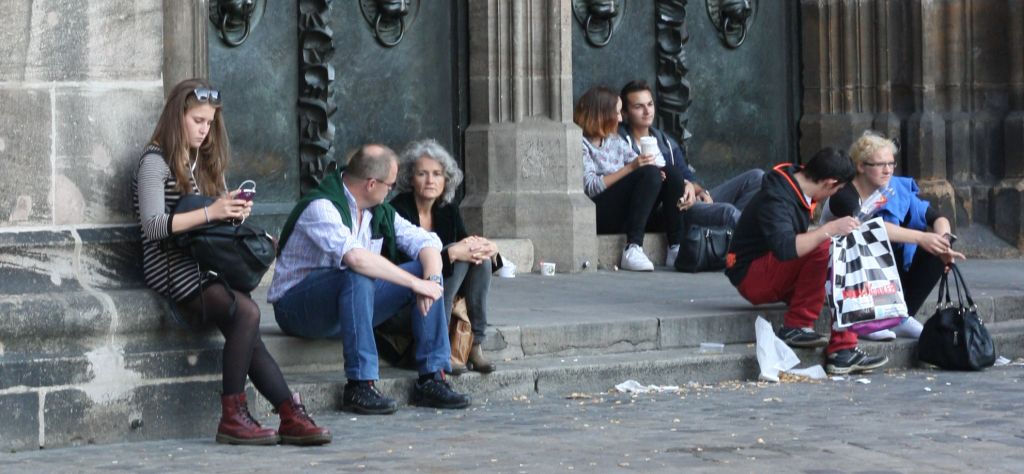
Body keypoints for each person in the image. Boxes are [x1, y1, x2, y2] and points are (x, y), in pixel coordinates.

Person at [132, 78, 330, 446]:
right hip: (171, 267)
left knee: (248, 328)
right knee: (247, 313)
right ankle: (233, 416)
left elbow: (213, 222)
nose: (204, 131)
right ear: (177, 117)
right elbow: (154, 226)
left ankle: (288, 412)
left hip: (206, 263)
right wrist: (213, 212)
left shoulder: (203, 161)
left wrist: (232, 211)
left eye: (209, 123)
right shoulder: (154, 162)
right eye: (197, 121)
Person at [269, 143, 471, 415]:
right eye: (390, 185)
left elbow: (426, 242)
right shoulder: (322, 207)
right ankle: (359, 385)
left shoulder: (378, 210)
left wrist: (431, 280)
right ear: (371, 184)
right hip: (297, 309)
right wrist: (415, 284)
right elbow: (356, 258)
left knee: (423, 269)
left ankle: (432, 378)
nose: (392, 191)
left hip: (350, 304)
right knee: (359, 275)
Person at [724, 147, 889, 375]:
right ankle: (797, 325)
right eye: (837, 189)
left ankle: (843, 350)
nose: (834, 195)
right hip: (751, 275)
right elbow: (786, 248)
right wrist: (829, 229)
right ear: (830, 183)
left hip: (774, 268)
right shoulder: (777, 197)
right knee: (826, 244)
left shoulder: (798, 184)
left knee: (838, 248)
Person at [820, 130, 966, 341]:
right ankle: (868, 319)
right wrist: (921, 238)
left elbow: (937, 218)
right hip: (841, 270)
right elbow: (868, 227)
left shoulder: (895, 188)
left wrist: (943, 243)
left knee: (936, 251)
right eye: (880, 165)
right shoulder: (844, 193)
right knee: (870, 238)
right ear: (861, 166)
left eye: (891, 164)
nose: (887, 170)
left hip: (881, 270)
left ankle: (900, 317)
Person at [618, 80, 764, 266]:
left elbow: (689, 178)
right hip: (669, 210)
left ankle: (733, 243)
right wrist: (682, 186)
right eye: (639, 107)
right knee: (728, 213)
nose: (647, 111)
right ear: (624, 113)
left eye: (650, 104)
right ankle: (762, 246)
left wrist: (698, 190)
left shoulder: (665, 142)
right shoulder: (620, 143)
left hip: (689, 200)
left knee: (756, 177)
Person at [390, 139, 497, 374]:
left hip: (442, 296)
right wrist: (451, 253)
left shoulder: (447, 209)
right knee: (454, 253)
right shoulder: (398, 210)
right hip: (409, 300)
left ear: (446, 179)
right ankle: (441, 344)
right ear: (410, 178)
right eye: (422, 174)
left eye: (437, 174)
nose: (430, 180)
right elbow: (400, 265)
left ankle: (474, 344)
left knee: (479, 260)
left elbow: (467, 246)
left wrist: (488, 248)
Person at [575, 85, 686, 271]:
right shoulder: (581, 143)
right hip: (599, 213)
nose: (620, 118)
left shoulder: (613, 140)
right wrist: (632, 168)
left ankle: (675, 247)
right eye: (617, 113)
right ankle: (633, 248)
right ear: (602, 115)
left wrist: (658, 174)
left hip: (627, 210)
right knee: (649, 173)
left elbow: (640, 165)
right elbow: (591, 187)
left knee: (670, 173)